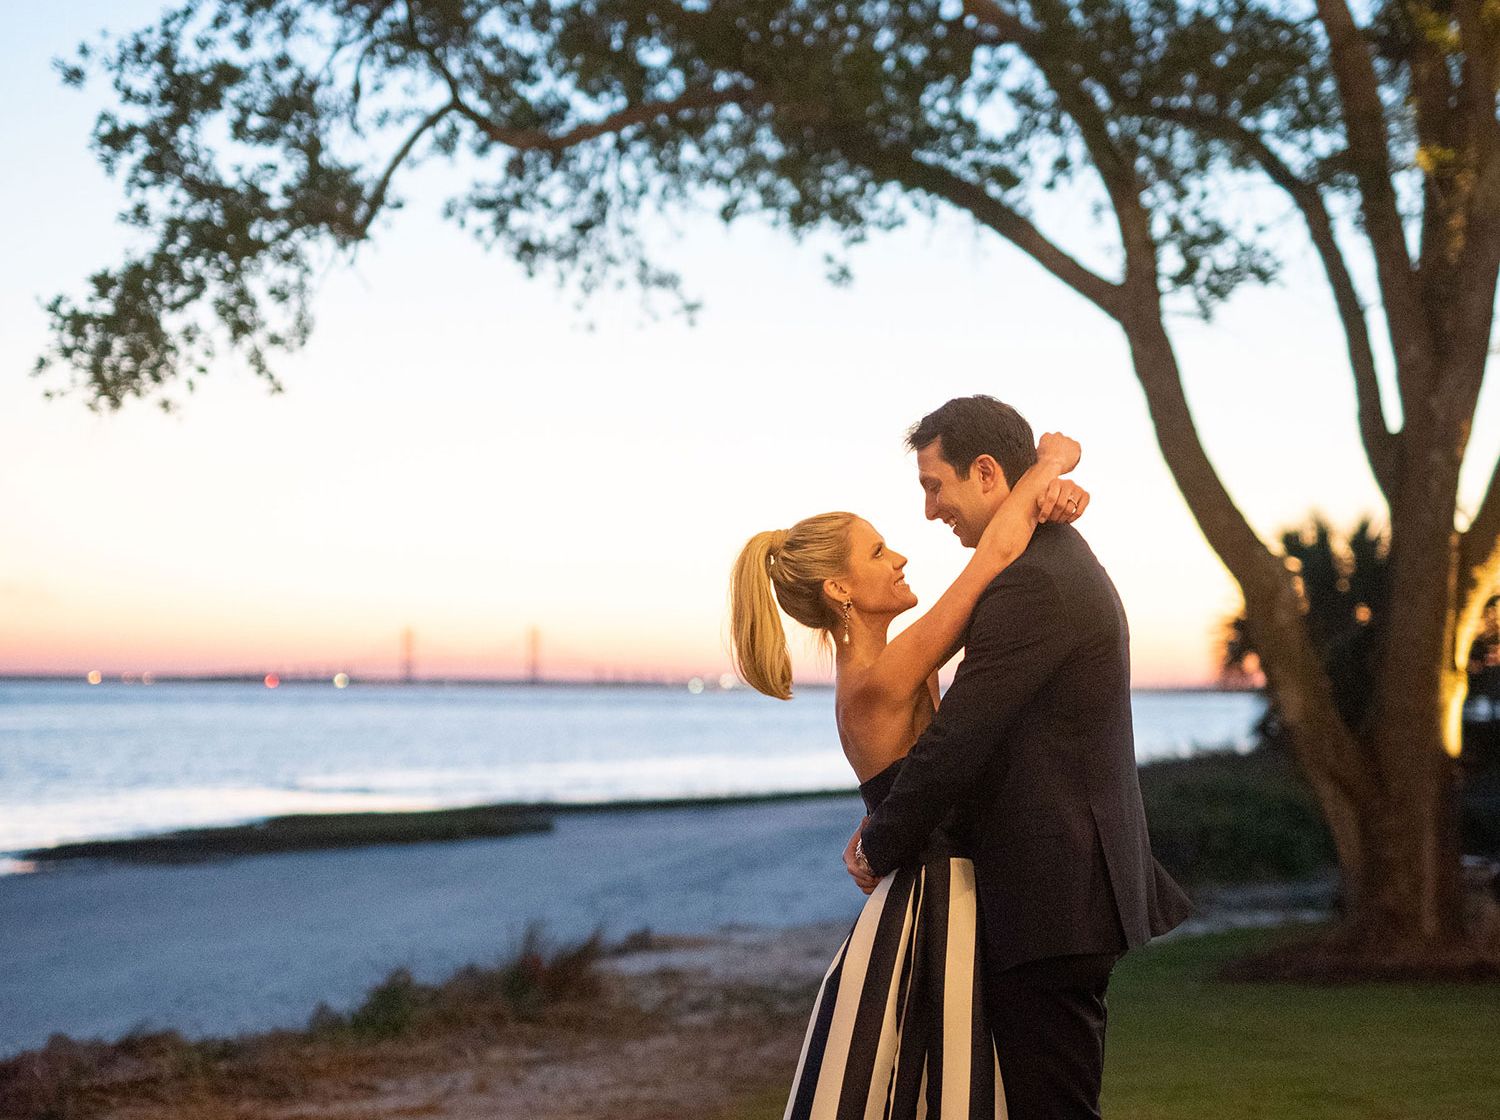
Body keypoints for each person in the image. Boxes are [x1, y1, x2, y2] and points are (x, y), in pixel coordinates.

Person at [847, 396, 1191, 1120]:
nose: (931, 510)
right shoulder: (1046, 560)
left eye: (934, 486)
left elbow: (958, 741)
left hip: (1054, 901)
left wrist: (879, 842)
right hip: (1062, 895)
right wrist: (1054, 466)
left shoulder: (1032, 580)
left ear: (984, 472)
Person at [730, 427, 1088, 1119]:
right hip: (933, 902)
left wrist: (1054, 496)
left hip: (934, 886)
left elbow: (925, 772)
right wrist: (1052, 463)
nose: (898, 557)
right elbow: (997, 556)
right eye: (875, 552)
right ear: (840, 589)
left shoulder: (883, 668)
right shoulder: (880, 675)